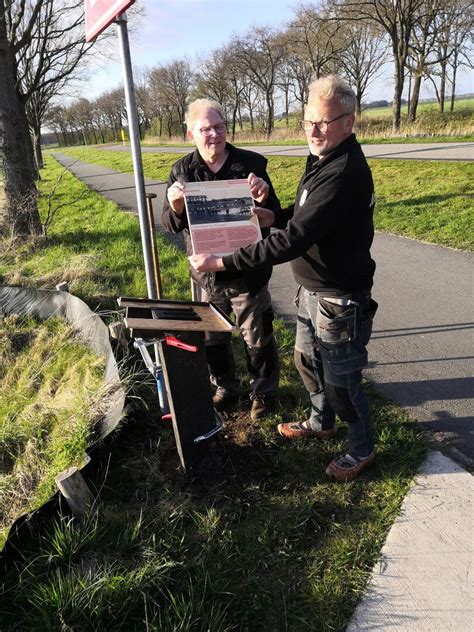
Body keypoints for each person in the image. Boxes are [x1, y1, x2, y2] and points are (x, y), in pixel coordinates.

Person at [189, 77, 378, 482]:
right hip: (313, 289)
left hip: (339, 297)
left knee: (343, 383)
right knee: (306, 360)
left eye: (324, 122)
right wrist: (276, 215)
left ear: (350, 122)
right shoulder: (324, 157)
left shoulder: (343, 172)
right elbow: (307, 214)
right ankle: (319, 421)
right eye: (308, 120)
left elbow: (291, 243)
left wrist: (222, 262)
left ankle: (362, 448)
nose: (313, 131)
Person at [162, 98, 280, 420]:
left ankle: (263, 393)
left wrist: (264, 195)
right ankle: (226, 388)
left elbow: (275, 215)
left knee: (257, 336)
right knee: (213, 339)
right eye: (205, 129)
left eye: (219, 127)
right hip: (207, 276)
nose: (213, 134)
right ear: (191, 135)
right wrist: (175, 205)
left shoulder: (251, 164)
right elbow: (170, 224)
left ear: (226, 128)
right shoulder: (182, 171)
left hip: (247, 271)